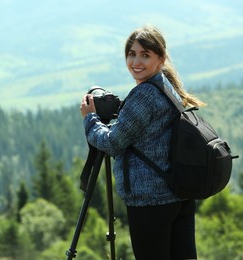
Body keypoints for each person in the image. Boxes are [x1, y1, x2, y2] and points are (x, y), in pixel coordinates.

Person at [79, 25, 205, 259]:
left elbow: (112, 144)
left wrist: (90, 119)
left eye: (145, 55)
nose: (136, 61)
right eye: (132, 54)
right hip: (180, 195)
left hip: (151, 202)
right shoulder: (166, 87)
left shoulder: (145, 94)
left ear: (161, 59)